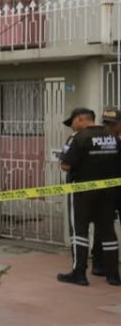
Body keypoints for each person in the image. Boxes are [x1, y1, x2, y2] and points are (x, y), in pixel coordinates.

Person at [57, 107, 119, 286]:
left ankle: (79, 273)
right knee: (107, 231)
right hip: (108, 192)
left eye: (73, 123)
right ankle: (113, 275)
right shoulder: (112, 137)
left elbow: (66, 165)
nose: (72, 127)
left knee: (79, 232)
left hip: (82, 192)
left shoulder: (79, 137)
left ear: (80, 120)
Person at [92, 106, 121, 278]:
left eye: (113, 124)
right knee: (102, 228)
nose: (109, 128)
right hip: (105, 193)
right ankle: (98, 264)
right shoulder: (97, 143)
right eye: (106, 124)